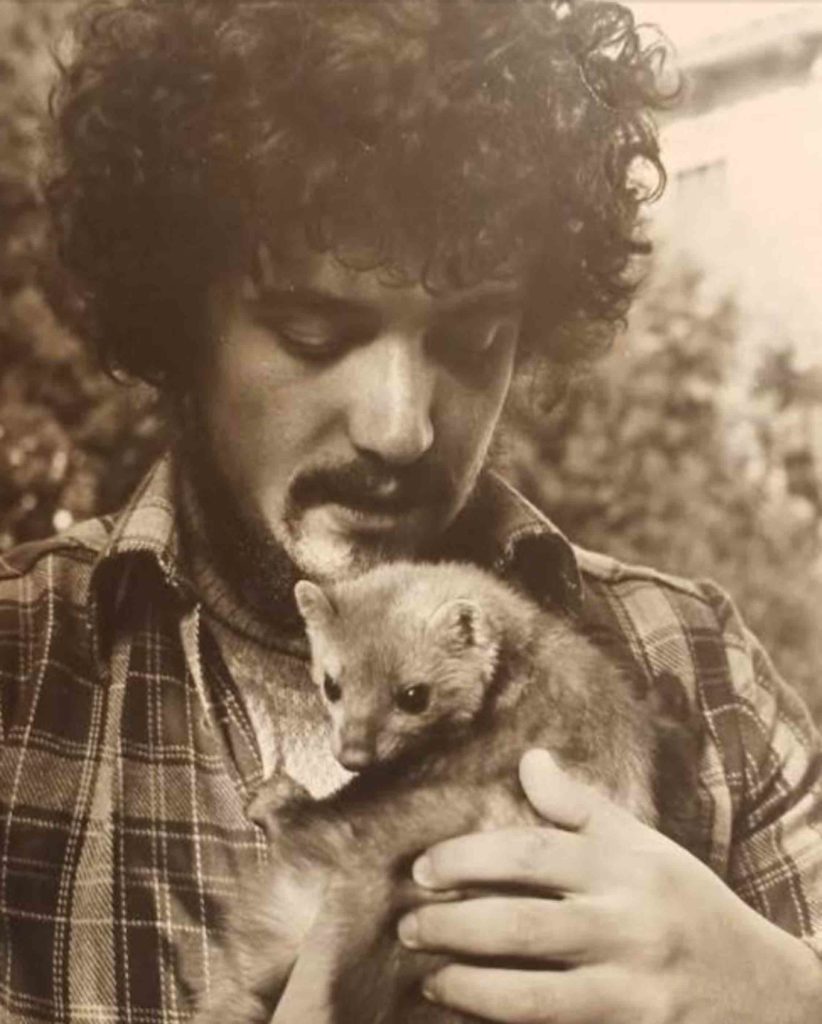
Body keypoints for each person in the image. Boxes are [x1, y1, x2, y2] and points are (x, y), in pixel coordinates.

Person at [1, 0, 821, 1021]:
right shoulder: (21, 672)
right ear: (179, 325)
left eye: (473, 341)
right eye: (313, 333)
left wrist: (784, 995)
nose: (401, 427)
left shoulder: (701, 667)